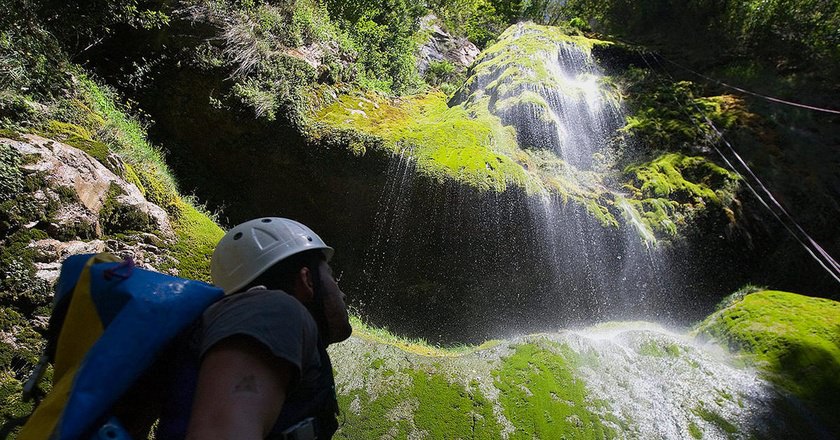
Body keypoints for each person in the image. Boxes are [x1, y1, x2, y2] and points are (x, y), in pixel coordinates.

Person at [154, 217, 352, 440]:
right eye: (332, 277)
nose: (341, 293)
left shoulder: (256, 319)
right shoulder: (272, 311)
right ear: (307, 279)